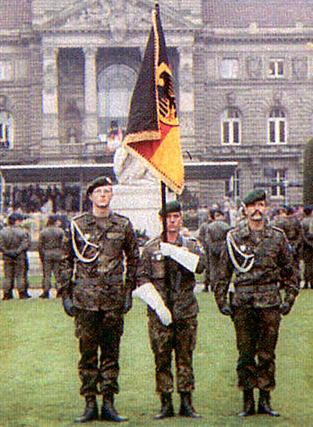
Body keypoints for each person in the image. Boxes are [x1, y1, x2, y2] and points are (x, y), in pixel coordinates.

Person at [57, 176, 138, 423]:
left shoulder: (122, 224)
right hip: (85, 300)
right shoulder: (77, 225)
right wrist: (66, 293)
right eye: (99, 192)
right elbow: (65, 260)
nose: (103, 195)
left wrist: (127, 292)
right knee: (88, 353)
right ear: (90, 196)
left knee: (112, 352)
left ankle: (109, 404)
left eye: (107, 191)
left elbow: (133, 258)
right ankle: (90, 402)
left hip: (113, 299)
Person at [213, 189, 299, 417]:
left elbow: (291, 272)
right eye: (253, 206)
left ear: (267, 208)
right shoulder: (234, 237)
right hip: (243, 303)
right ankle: (248, 399)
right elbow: (223, 272)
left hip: (270, 302)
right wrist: (221, 300)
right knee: (245, 353)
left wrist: (288, 300)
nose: (257, 210)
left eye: (261, 205)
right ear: (245, 210)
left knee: (267, 353)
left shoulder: (277, 237)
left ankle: (265, 399)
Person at [137, 200, 206, 419]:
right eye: (168, 217)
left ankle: (186, 401)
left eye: (176, 216)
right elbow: (141, 278)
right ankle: (165, 402)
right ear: (161, 220)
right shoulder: (151, 248)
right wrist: (158, 306)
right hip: (161, 313)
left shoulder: (191, 244)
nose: (173, 221)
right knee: (162, 356)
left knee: (185, 357)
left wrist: (176, 253)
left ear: (181, 218)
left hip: (185, 310)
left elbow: (201, 266)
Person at [0, 213, 30, 300]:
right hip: (19, 255)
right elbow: (25, 244)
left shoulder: (3, 232)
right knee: (20, 275)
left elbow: (0, 244)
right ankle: (21, 292)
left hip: (7, 256)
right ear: (17, 221)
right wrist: (17, 251)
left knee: (7, 275)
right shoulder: (23, 231)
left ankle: (7, 293)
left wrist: (7, 251)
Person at [38, 215, 66, 299]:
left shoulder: (43, 232)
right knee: (58, 274)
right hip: (58, 253)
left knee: (46, 274)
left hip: (47, 253)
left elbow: (40, 245)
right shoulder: (60, 231)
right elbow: (64, 243)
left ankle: (46, 291)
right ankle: (59, 291)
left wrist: (42, 255)